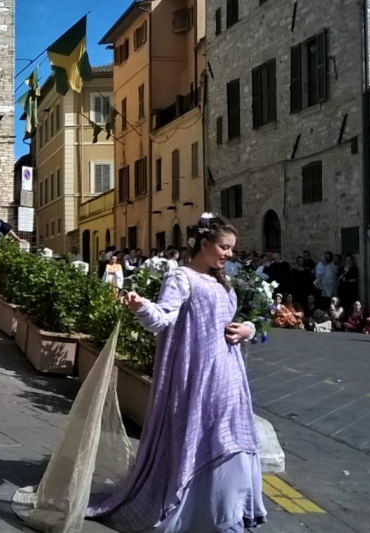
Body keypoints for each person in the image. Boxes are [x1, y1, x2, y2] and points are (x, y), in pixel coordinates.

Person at [85, 213, 264, 531]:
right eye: (224, 248)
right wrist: (141, 305)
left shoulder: (224, 281)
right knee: (214, 440)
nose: (229, 254)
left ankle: (230, 514)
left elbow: (246, 316)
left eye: (231, 249)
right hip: (200, 378)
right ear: (205, 244)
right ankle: (214, 517)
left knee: (233, 441)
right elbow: (163, 318)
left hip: (230, 377)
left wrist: (247, 328)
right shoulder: (181, 278)